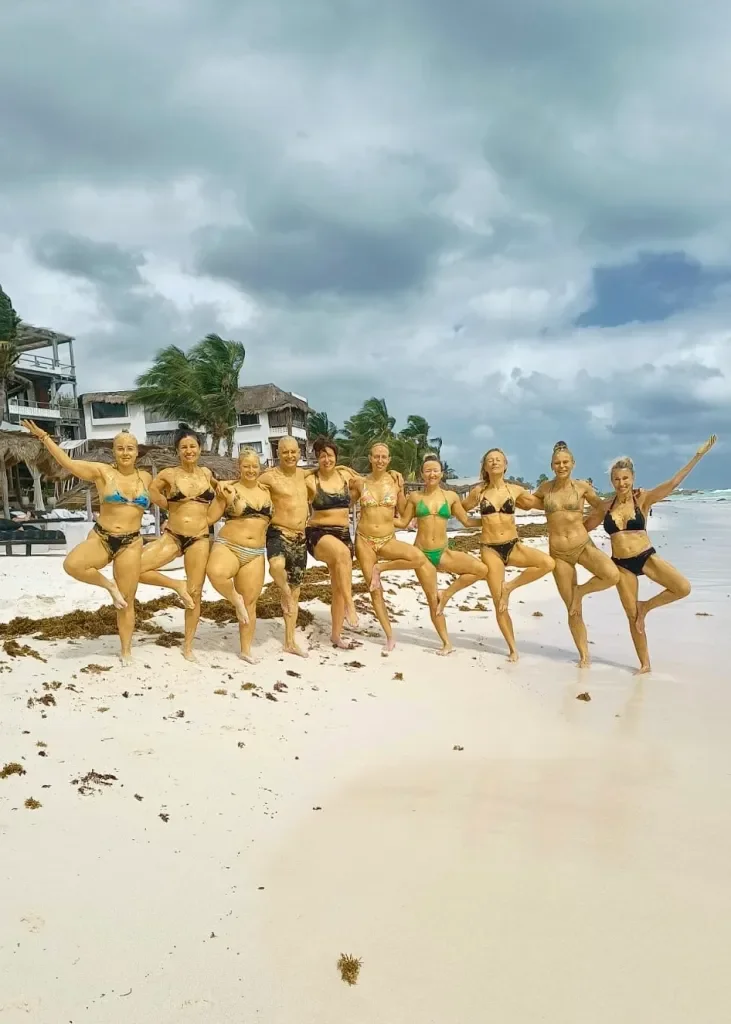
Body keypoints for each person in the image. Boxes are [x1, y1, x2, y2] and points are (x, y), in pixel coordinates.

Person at [21, 420, 151, 665]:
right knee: (72, 564)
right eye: (120, 448)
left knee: (127, 601)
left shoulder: (145, 477)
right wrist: (44, 437)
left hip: (131, 543)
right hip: (103, 537)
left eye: (130, 448)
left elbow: (168, 498)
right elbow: (67, 463)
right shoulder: (102, 472)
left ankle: (125, 650)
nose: (125, 452)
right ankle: (108, 586)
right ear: (114, 451)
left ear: (137, 452)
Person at [584, 435, 717, 674]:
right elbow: (582, 528)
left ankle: (647, 606)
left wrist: (698, 456)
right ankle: (644, 664)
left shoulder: (642, 499)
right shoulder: (606, 506)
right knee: (631, 615)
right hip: (621, 565)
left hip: (645, 556)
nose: (621, 483)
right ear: (612, 481)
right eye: (617, 479)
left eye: (625, 478)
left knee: (682, 587)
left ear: (632, 478)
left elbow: (673, 483)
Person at [439, 448, 556, 661]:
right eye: (490, 460)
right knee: (499, 602)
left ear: (506, 464)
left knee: (547, 563)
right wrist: (470, 521)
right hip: (490, 549)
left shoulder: (516, 490)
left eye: (498, 459)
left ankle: (510, 586)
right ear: (485, 466)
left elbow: (540, 502)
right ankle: (513, 648)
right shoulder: (478, 492)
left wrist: (560, 492)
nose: (494, 462)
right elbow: (459, 509)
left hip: (513, 545)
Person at [368, 454, 490, 656]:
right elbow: (404, 522)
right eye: (427, 471)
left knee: (480, 569)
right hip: (422, 555)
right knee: (432, 600)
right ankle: (446, 643)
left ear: (441, 473)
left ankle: (447, 593)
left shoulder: (450, 497)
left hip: (443, 552)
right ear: (422, 474)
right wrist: (380, 516)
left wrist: (491, 522)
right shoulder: (415, 498)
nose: (431, 474)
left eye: (435, 470)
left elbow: (467, 521)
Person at [351, 441, 449, 655]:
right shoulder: (359, 483)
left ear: (389, 460)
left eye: (384, 457)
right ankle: (389, 636)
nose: (379, 460)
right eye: (376, 456)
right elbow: (342, 505)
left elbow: (405, 513)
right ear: (370, 458)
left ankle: (382, 568)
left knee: (418, 558)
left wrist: (407, 494)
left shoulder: (395, 483)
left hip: (387, 538)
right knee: (375, 591)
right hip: (364, 540)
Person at [529, 441, 619, 667]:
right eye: (557, 463)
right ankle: (584, 655)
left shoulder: (582, 488)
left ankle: (580, 591)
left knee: (611, 575)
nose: (561, 466)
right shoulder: (544, 489)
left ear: (573, 464)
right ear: (552, 465)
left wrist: (588, 526)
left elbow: (602, 507)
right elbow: (526, 501)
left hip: (582, 546)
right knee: (572, 609)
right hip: (559, 553)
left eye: (565, 462)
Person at [137, 424, 216, 662]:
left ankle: (188, 646)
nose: (189, 450)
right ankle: (175, 585)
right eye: (184, 447)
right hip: (173, 534)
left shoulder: (207, 474)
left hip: (199, 538)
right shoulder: (169, 474)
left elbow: (220, 498)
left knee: (196, 592)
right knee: (134, 569)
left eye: (192, 446)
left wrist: (210, 517)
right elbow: (152, 491)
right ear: (177, 451)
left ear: (200, 449)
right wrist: (169, 507)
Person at [205, 447, 272, 663]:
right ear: (239, 467)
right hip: (229, 545)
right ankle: (235, 599)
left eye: (255, 466)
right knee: (215, 573)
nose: (251, 470)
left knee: (251, 602)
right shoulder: (229, 488)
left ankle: (245, 650)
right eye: (246, 466)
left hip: (255, 553)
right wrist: (218, 496)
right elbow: (210, 518)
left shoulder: (266, 491)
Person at [257, 435, 311, 658]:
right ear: (278, 453)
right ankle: (285, 591)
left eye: (293, 452)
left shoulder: (305, 474)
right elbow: (245, 483)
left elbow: (337, 471)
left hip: (301, 538)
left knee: (296, 592)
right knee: (276, 567)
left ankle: (289, 641)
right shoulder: (269, 477)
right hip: (278, 532)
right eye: (285, 452)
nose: (290, 455)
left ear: (300, 453)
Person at [305, 437, 360, 649]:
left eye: (329, 455)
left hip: (344, 533)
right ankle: (351, 605)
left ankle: (336, 635)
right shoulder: (311, 480)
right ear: (316, 458)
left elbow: (369, 481)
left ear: (336, 456)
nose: (326, 459)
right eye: (321, 455)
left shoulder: (346, 475)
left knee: (338, 586)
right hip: (318, 533)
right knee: (343, 555)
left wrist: (393, 474)